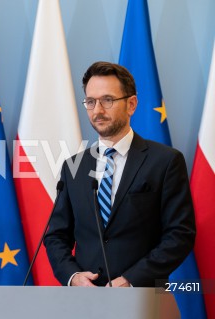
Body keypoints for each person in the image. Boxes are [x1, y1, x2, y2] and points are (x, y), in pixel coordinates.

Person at [44, 61, 195, 287]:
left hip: (143, 298)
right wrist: (74, 277)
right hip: (86, 300)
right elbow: (56, 235)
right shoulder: (73, 166)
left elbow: (179, 234)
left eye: (108, 100)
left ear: (131, 104)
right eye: (91, 102)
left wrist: (131, 280)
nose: (97, 111)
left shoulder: (165, 161)